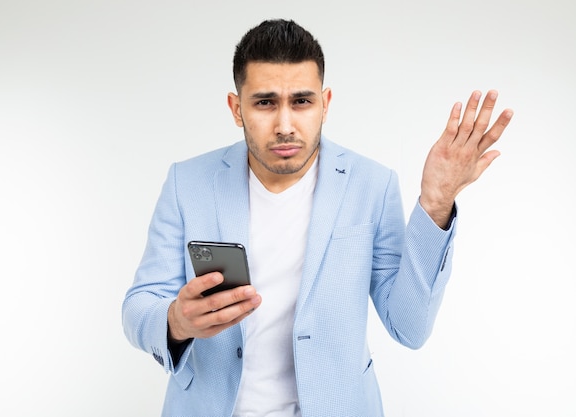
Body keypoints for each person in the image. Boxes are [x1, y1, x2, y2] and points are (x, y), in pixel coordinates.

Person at [122, 19, 513, 417]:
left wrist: (435, 204)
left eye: (302, 102)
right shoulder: (186, 182)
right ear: (236, 108)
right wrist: (175, 321)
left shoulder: (372, 185)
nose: (285, 125)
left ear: (325, 103)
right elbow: (139, 305)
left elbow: (409, 327)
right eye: (265, 102)